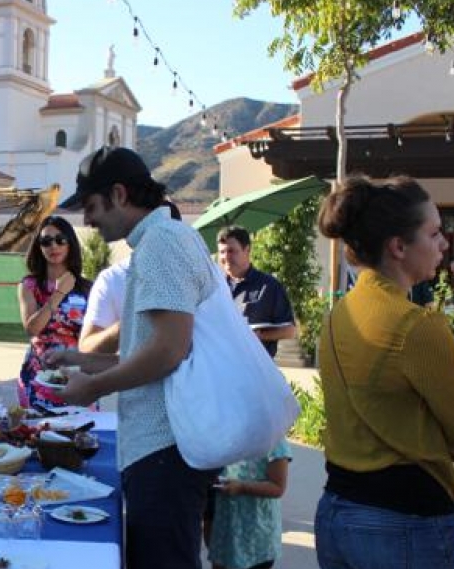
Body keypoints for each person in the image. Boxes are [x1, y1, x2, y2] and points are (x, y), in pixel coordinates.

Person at [44, 146, 217, 569]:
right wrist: (79, 360)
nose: (87, 220)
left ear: (119, 194)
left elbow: (169, 351)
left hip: (165, 451)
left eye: (91, 206)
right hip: (158, 452)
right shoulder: (159, 241)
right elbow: (147, 355)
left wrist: (94, 386)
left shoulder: (161, 242)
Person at [313, 175, 454, 569]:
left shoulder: (338, 315)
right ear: (398, 247)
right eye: (433, 233)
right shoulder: (417, 327)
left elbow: (378, 399)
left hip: (337, 511)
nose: (444, 244)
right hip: (404, 522)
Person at [78, 200, 181, 355]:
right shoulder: (113, 279)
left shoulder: (200, 273)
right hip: (134, 377)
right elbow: (87, 348)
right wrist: (128, 324)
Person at [17, 216, 92, 408]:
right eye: (46, 241)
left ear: (70, 244)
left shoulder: (87, 288)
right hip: (39, 377)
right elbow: (32, 329)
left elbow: (94, 336)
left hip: (77, 377)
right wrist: (58, 293)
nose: (54, 246)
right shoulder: (29, 285)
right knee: (38, 435)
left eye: (60, 240)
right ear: (39, 247)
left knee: (80, 435)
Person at [209, 440, 292, 569]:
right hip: (226, 530)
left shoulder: (274, 440)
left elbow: (278, 486)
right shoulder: (227, 431)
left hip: (256, 538)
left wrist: (242, 487)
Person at [216, 225, 296, 358]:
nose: (226, 257)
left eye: (231, 251)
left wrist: (258, 336)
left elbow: (289, 330)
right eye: (222, 252)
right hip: (220, 367)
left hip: (256, 370)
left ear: (247, 250)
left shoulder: (269, 286)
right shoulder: (215, 288)